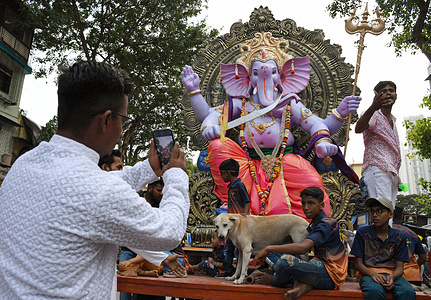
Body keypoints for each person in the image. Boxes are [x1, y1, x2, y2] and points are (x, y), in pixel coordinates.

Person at [0, 61, 189, 299]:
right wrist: (176, 174)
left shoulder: (24, 165)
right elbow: (170, 231)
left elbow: (94, 185)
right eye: (123, 120)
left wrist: (149, 168)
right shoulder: (99, 191)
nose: (121, 132)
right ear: (106, 120)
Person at [252, 186, 348, 299]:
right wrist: (270, 250)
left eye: (311, 203)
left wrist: (268, 248)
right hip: (316, 267)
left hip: (330, 274)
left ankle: (276, 280)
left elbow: (303, 248)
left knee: (285, 262)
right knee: (274, 256)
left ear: (321, 206)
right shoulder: (315, 223)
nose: (306, 207)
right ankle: (303, 284)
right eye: (303, 203)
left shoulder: (326, 223)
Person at [350, 197, 415, 300]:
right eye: (372, 211)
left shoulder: (400, 236)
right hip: (369, 273)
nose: (374, 215)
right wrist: (373, 274)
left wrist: (392, 277)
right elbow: (358, 264)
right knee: (374, 291)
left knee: (407, 292)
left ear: (390, 214)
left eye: (379, 211)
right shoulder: (363, 233)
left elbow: (400, 268)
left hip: (393, 275)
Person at [355, 81, 401, 214]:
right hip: (377, 170)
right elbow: (358, 128)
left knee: (388, 214)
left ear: (395, 95)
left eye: (391, 91)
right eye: (384, 91)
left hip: (391, 172)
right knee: (382, 213)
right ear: (377, 96)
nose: (388, 94)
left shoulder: (393, 119)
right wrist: (373, 107)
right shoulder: (373, 114)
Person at [215, 158, 250, 278]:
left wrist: (244, 216)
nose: (221, 176)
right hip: (230, 223)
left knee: (238, 248)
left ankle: (238, 272)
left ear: (228, 173)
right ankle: (229, 270)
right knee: (228, 248)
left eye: (222, 173)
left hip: (238, 223)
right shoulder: (231, 187)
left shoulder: (239, 185)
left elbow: (247, 201)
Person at [392, 206, 426, 287]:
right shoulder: (412, 233)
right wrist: (412, 266)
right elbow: (423, 258)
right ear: (402, 216)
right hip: (411, 276)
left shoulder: (383, 231)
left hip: (388, 275)